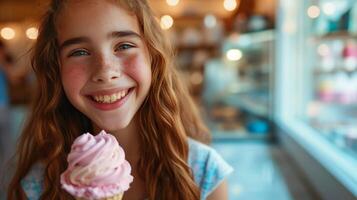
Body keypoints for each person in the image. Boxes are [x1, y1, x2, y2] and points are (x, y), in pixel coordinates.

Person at [7, 0, 233, 199]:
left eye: (124, 46)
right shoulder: (38, 185)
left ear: (153, 58)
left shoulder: (202, 174)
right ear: (56, 70)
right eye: (79, 52)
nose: (105, 71)